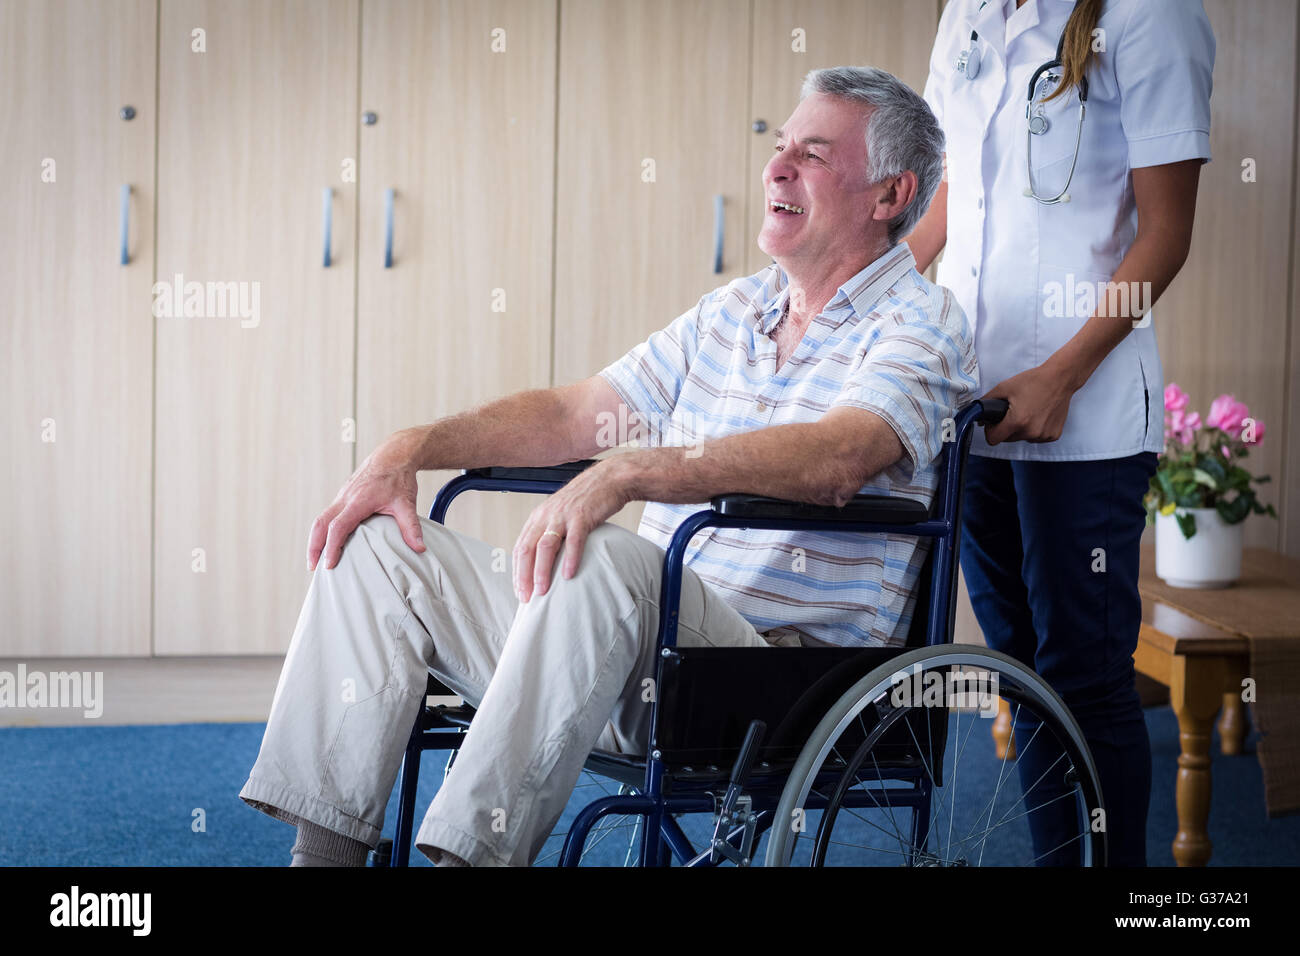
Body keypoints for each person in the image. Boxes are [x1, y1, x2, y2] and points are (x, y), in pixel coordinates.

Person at [239, 65, 977, 867]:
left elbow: (844, 454)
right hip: (617, 640)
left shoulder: (922, 322)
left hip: (770, 677)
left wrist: (631, 472)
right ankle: (325, 859)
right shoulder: (732, 312)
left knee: (607, 553)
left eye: (815, 153)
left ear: (890, 195)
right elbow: (572, 414)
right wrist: (407, 449)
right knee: (377, 544)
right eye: (780, 145)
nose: (776, 167)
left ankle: (469, 858)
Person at [907, 0, 1214, 865]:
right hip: (975, 402)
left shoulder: (1151, 15)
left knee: (1086, 678)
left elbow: (1167, 233)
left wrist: (1063, 373)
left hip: (1088, 419)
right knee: (1019, 671)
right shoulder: (967, 12)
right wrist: (864, 296)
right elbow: (949, 198)